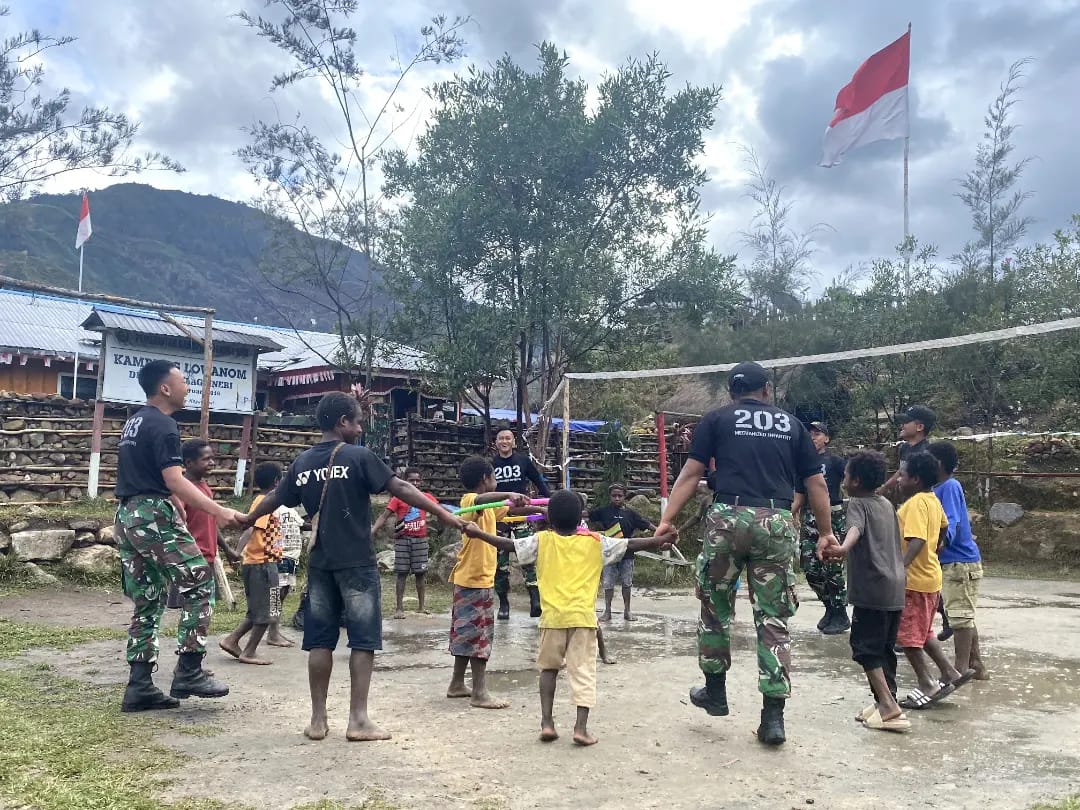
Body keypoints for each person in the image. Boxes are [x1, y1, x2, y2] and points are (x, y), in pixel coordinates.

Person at [243, 391, 467, 742]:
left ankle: (318, 720)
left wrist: (245, 516)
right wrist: (442, 513)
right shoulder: (359, 456)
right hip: (358, 564)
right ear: (342, 422)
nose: (361, 428)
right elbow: (402, 487)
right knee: (363, 641)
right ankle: (358, 720)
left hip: (320, 564)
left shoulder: (302, 462)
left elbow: (275, 498)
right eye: (358, 421)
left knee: (320, 642)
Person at [656, 361, 835, 746]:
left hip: (727, 517)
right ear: (766, 390)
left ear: (732, 392)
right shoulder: (792, 426)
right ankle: (773, 718)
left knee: (714, 606)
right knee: (773, 618)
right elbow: (816, 483)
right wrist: (826, 533)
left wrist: (667, 520)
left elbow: (690, 475)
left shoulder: (717, 419)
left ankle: (715, 691)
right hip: (776, 519)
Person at [462, 489, 675, 745]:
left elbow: (508, 545)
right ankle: (580, 729)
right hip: (583, 621)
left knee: (548, 670)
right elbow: (631, 545)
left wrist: (478, 533)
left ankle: (547, 723)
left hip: (552, 620)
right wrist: (658, 540)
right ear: (580, 520)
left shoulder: (541, 541)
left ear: (549, 518)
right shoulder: (596, 542)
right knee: (583, 673)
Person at [115, 360, 241, 713]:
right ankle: (189, 669)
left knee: (149, 597)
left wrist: (172, 502)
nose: (189, 387)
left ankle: (139, 685)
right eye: (184, 381)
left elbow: (145, 473)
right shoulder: (165, 424)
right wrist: (220, 512)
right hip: (152, 515)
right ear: (166, 388)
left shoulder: (134, 423)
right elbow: (173, 479)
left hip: (128, 514)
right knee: (200, 582)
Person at [818, 451, 910, 732]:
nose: (843, 479)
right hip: (895, 588)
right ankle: (885, 700)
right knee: (884, 649)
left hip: (873, 589)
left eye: (845, 475)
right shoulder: (885, 503)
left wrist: (843, 548)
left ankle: (888, 706)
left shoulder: (858, 503)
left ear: (855, 481)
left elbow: (855, 528)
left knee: (865, 649)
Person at [446, 456, 535, 708]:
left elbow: (511, 511)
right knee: (479, 638)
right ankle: (479, 692)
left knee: (467, 634)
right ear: (485, 479)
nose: (496, 481)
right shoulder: (469, 501)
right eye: (494, 477)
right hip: (473, 581)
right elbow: (480, 500)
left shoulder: (489, 506)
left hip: (476, 580)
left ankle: (456, 684)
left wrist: (537, 509)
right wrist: (509, 493)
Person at [894, 452, 975, 711]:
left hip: (914, 581)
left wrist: (900, 567)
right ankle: (950, 672)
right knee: (925, 632)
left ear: (915, 479)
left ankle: (926, 682)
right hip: (931, 578)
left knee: (907, 637)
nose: (898, 480)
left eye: (902, 476)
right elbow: (943, 527)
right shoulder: (931, 499)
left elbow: (916, 539)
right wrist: (937, 545)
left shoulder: (917, 502)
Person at [928, 441, 989, 680]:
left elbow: (951, 520)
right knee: (961, 614)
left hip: (959, 562)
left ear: (939, 464)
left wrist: (943, 541)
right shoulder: (936, 489)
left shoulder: (949, 486)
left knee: (960, 618)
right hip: (951, 562)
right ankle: (976, 664)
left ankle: (959, 668)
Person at [219, 462, 286, 665]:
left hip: (269, 564)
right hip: (261, 564)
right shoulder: (263, 502)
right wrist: (236, 553)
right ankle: (249, 651)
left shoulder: (267, 502)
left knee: (268, 609)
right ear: (277, 482)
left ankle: (232, 640)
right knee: (265, 612)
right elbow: (249, 528)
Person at [792, 421, 850, 635]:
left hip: (833, 516)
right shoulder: (803, 463)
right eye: (810, 434)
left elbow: (850, 483)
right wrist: (789, 514)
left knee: (832, 567)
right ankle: (829, 607)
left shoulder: (835, 461)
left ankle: (840, 613)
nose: (813, 437)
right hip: (809, 518)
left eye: (817, 434)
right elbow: (799, 494)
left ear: (827, 438)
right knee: (810, 568)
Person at [491, 428, 551, 619]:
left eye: (508, 438)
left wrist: (550, 500)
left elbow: (538, 481)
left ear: (514, 442)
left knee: (528, 557)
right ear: (496, 442)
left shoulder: (523, 460)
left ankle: (535, 601)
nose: (504, 441)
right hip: (499, 518)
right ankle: (504, 604)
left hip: (522, 516)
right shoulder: (491, 464)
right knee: (500, 564)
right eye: (501, 438)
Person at [372, 468, 438, 618]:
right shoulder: (398, 499)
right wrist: (373, 531)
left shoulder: (426, 497)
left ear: (420, 481)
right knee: (401, 573)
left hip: (421, 540)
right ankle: (399, 609)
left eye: (417, 480)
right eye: (411, 480)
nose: (415, 483)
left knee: (420, 573)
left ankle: (421, 607)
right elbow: (384, 516)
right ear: (405, 481)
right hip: (402, 540)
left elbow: (439, 510)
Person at [589, 483, 656, 622]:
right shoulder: (603, 511)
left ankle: (627, 611)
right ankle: (607, 611)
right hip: (609, 553)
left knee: (627, 583)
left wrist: (661, 531)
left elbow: (646, 524)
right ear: (610, 497)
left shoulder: (630, 514)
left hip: (627, 553)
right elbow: (587, 516)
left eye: (620, 496)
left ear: (624, 497)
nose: (617, 498)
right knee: (608, 583)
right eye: (614, 496)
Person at [181, 439, 242, 574]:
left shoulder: (204, 488)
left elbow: (210, 522)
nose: (212, 463)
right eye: (206, 459)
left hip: (207, 558)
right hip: (191, 560)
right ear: (189, 463)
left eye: (212, 459)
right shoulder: (182, 491)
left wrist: (226, 549)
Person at [880, 405, 936, 497]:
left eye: (906, 422)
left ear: (920, 427)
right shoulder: (904, 447)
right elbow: (901, 471)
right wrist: (885, 487)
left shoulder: (926, 454)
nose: (901, 425)